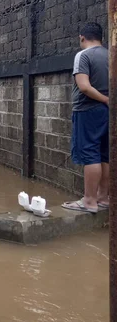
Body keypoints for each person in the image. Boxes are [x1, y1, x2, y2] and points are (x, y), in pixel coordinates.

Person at [62, 22, 109, 213]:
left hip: (87, 110)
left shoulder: (83, 55)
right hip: (107, 112)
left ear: (82, 37)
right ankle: (104, 198)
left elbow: (84, 86)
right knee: (104, 153)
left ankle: (89, 201)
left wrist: (105, 99)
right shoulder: (110, 55)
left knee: (90, 154)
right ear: (101, 38)